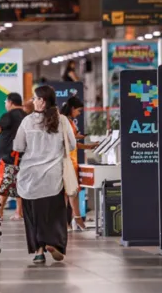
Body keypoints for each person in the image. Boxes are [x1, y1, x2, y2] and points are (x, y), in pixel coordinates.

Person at [13, 85, 76, 264]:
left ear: (42, 101)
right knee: (54, 214)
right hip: (53, 176)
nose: (33, 101)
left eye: (35, 98)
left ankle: (39, 251)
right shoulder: (62, 120)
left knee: (33, 215)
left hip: (30, 177)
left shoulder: (27, 122)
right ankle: (54, 243)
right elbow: (71, 145)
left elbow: (18, 147)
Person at [59, 96, 98, 231]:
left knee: (71, 192)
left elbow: (72, 141)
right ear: (72, 108)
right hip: (67, 160)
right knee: (69, 192)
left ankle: (73, 220)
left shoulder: (67, 121)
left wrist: (84, 143)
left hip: (70, 160)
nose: (79, 114)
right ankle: (73, 220)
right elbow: (70, 142)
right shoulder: (66, 121)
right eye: (78, 111)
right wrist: (87, 145)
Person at [0, 93, 27, 221]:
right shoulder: (26, 116)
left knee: (3, 186)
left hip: (8, 157)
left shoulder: (9, 115)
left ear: (10, 102)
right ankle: (18, 212)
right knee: (19, 185)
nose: (5, 104)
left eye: (6, 102)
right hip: (23, 156)